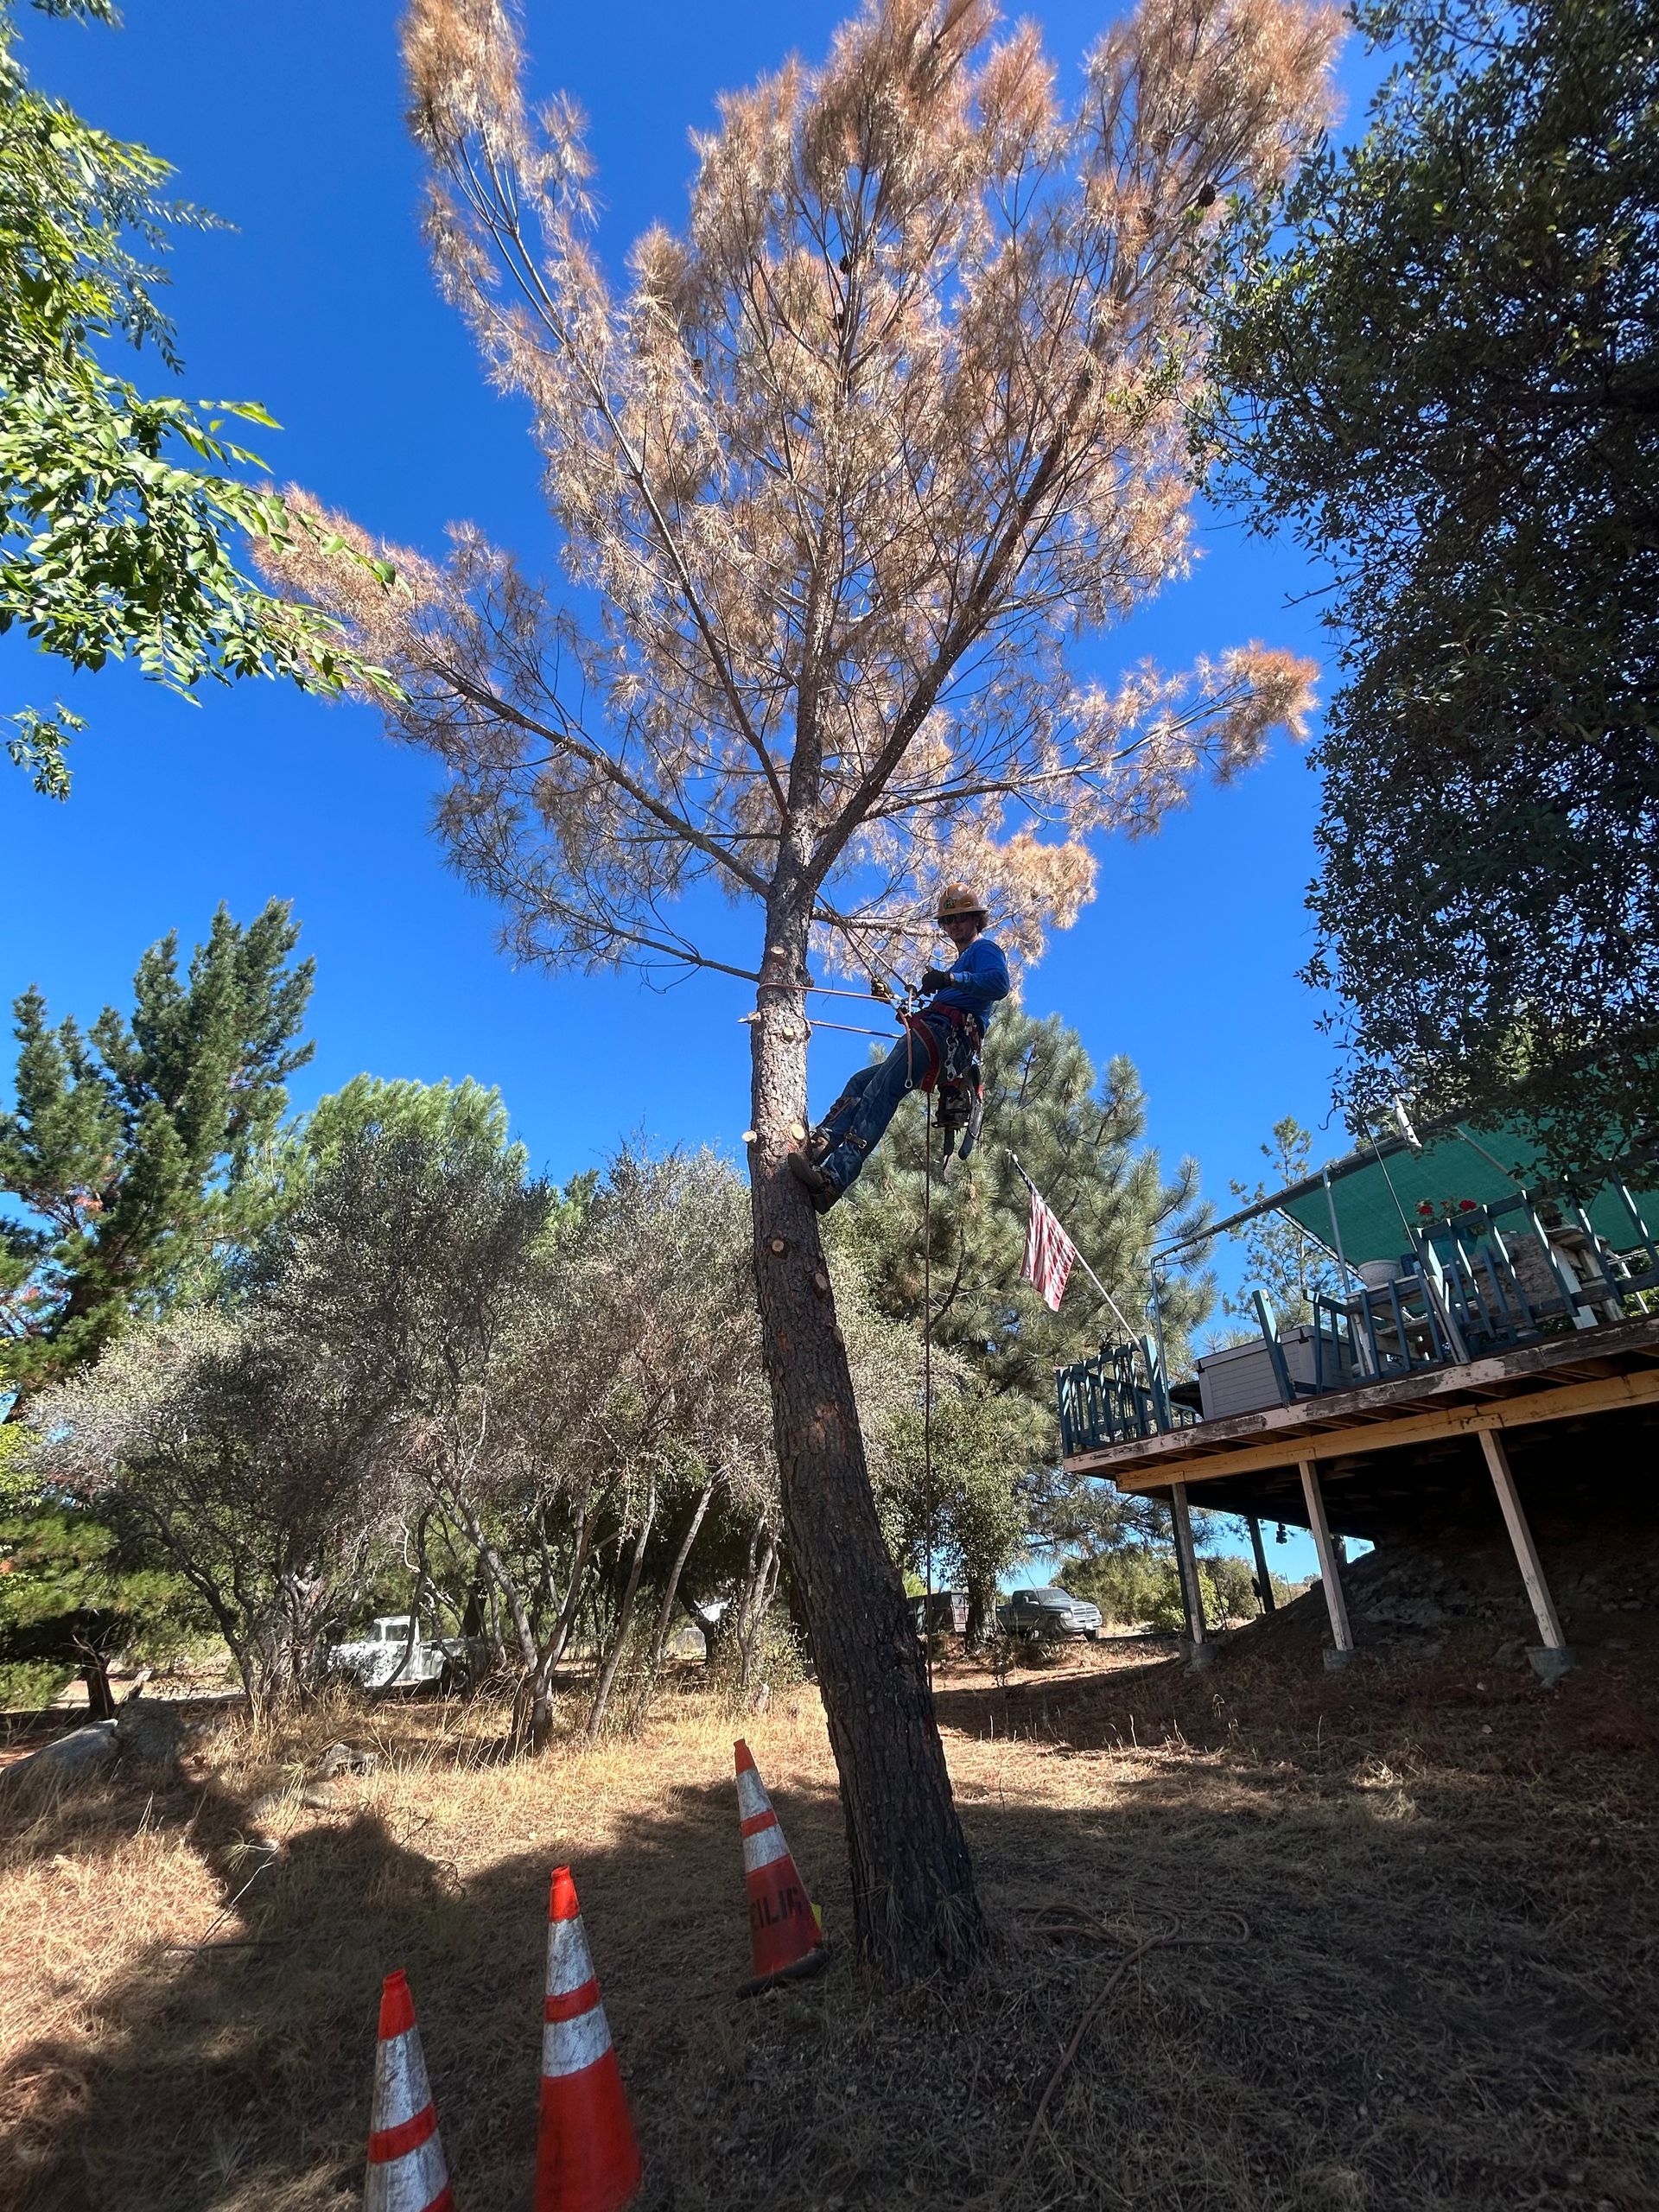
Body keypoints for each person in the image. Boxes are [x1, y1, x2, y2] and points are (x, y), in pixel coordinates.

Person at [788, 884, 1010, 1211]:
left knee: (880, 1092)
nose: (954, 926)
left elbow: (1000, 984)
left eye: (961, 918)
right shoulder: (962, 961)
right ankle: (821, 1145)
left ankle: (833, 1179)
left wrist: (951, 981)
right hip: (936, 1032)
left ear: (976, 919)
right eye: (949, 921)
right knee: (861, 1083)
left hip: (945, 1037)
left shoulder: (984, 950)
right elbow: (944, 1004)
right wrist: (897, 999)